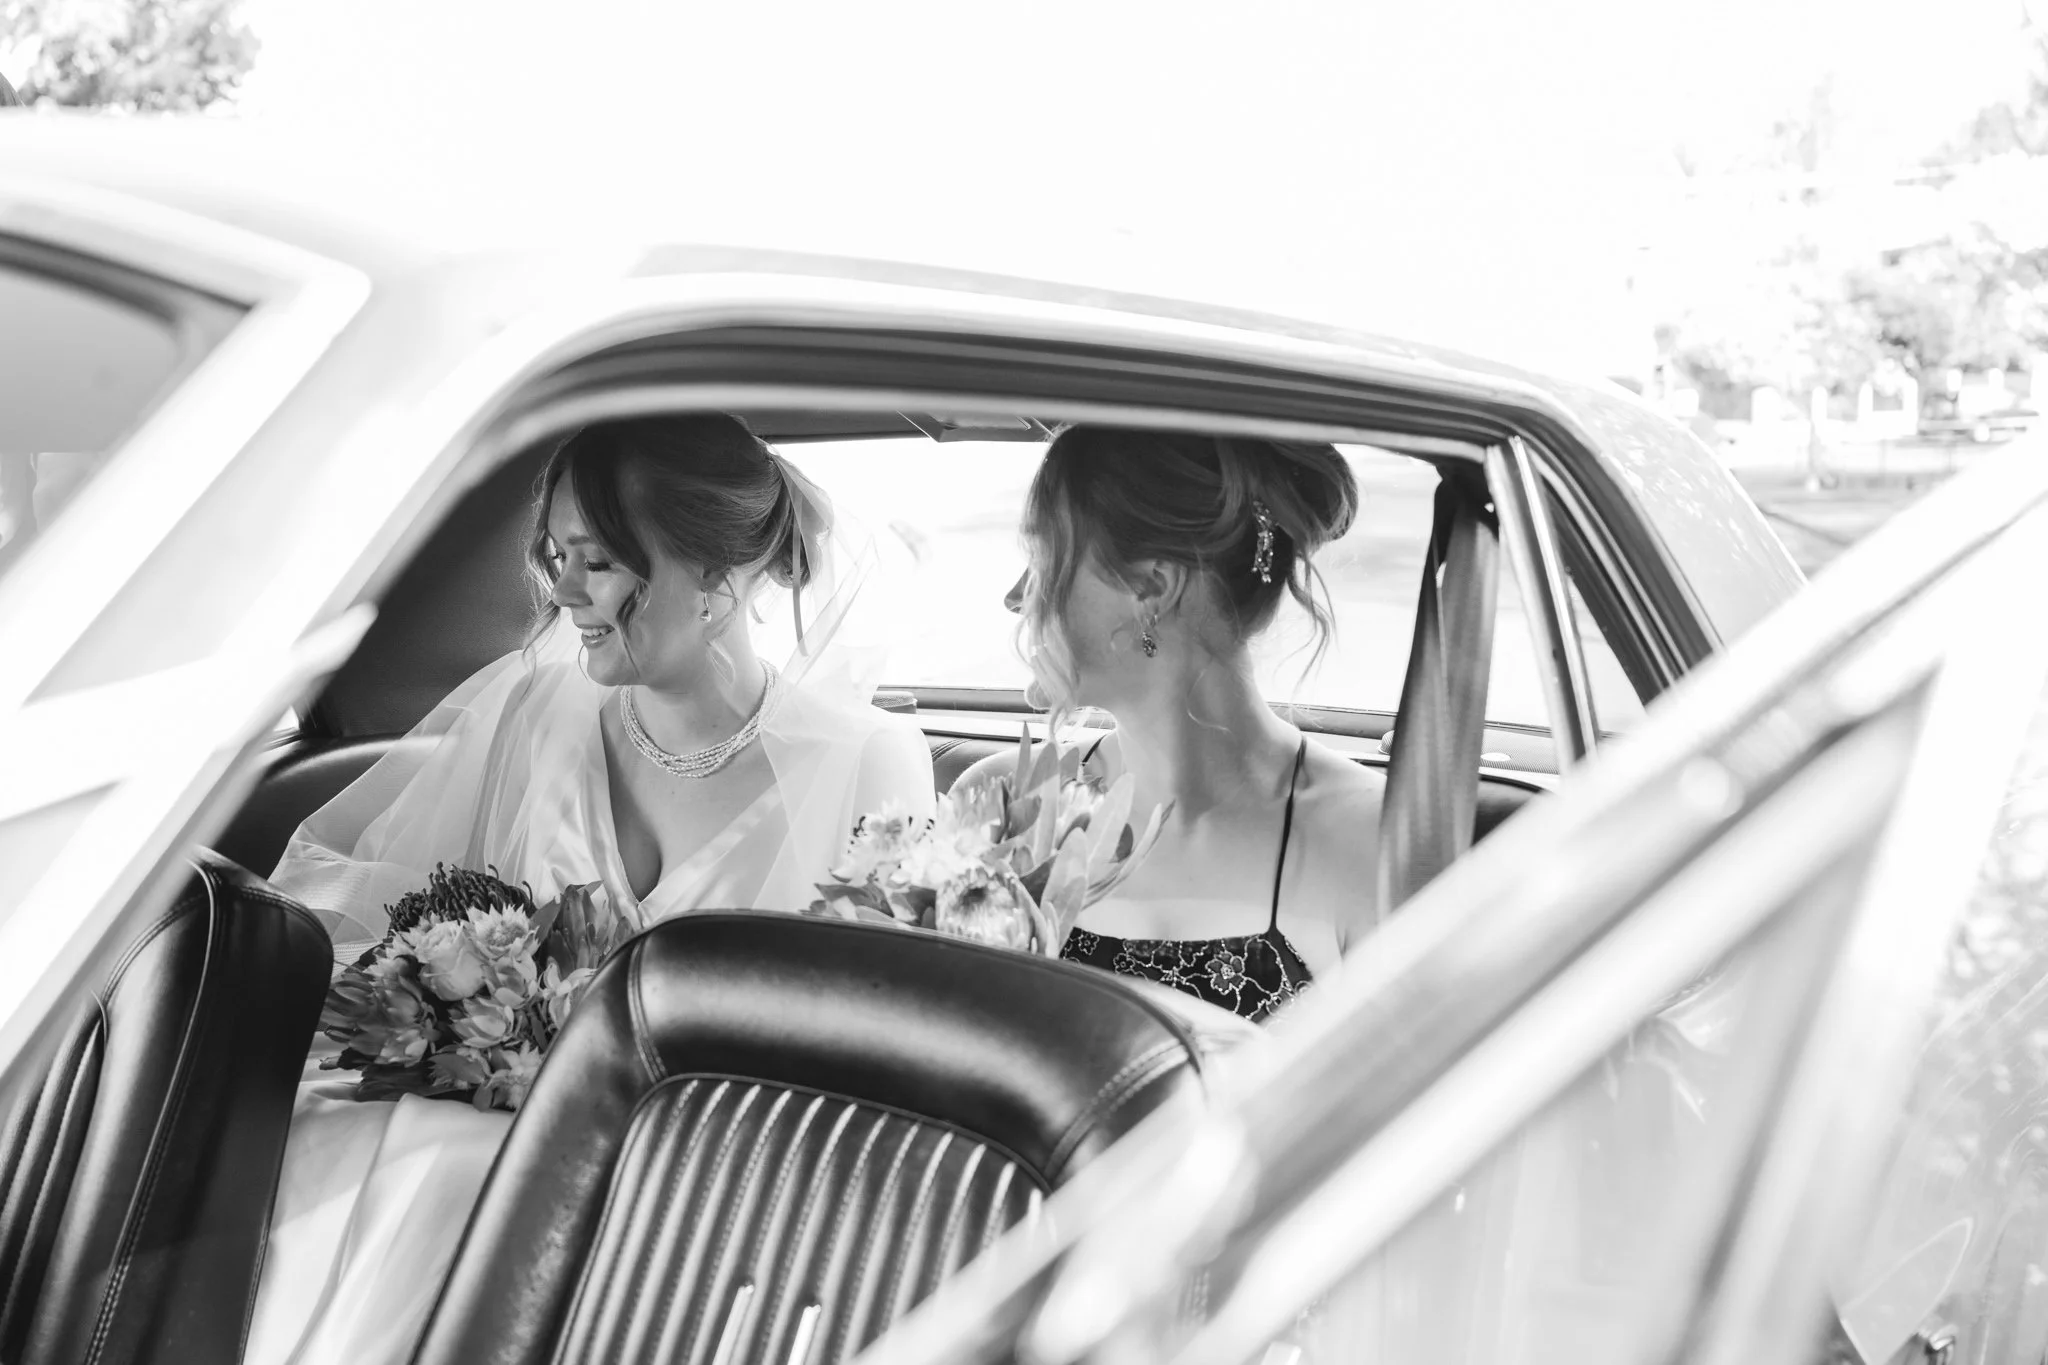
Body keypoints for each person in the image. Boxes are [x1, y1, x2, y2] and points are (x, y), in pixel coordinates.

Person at [244, 414, 934, 1365]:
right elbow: (409, 921)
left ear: (716, 576)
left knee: (445, 1176)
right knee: (377, 1152)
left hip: (710, 1189)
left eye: (598, 561)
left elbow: (889, 1057)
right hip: (502, 1151)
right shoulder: (538, 707)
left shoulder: (866, 760)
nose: (562, 591)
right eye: (557, 555)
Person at [967, 425, 1379, 1024]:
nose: (1015, 597)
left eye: (1042, 558)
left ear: (1150, 587)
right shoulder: (999, 802)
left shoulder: (1369, 844)